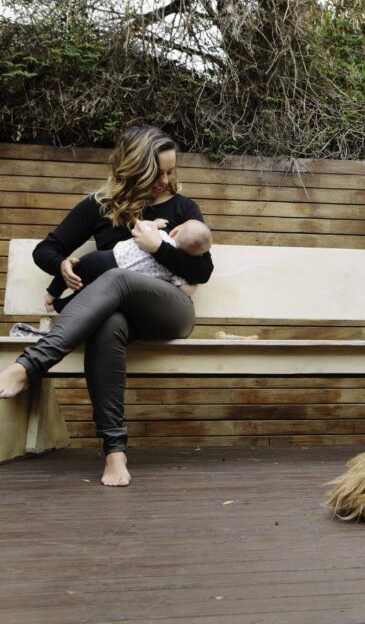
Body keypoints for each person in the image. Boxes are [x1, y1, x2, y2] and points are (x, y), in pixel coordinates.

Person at [0, 125, 214, 486]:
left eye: (170, 171)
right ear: (134, 168)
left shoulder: (182, 208)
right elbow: (46, 249)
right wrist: (61, 265)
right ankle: (115, 453)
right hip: (114, 315)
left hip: (168, 311)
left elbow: (203, 270)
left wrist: (157, 248)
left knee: (116, 277)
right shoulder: (100, 205)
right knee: (108, 325)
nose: (166, 180)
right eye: (157, 172)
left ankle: (32, 363)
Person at [44, 218, 213, 312]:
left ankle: (52, 294)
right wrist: (193, 287)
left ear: (175, 231)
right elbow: (183, 290)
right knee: (84, 300)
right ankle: (56, 306)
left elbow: (141, 225)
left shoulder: (159, 234)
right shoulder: (177, 271)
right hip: (116, 284)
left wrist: (154, 225)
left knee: (75, 269)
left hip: (105, 258)